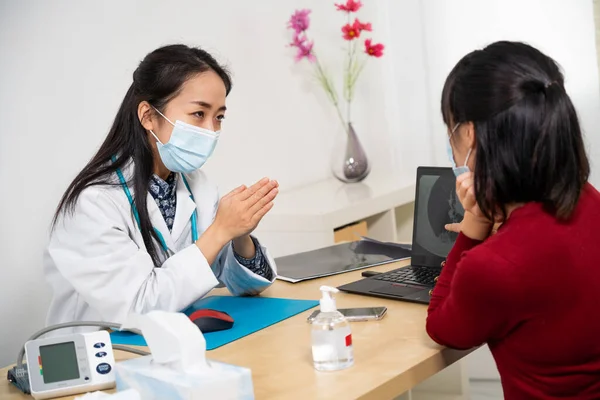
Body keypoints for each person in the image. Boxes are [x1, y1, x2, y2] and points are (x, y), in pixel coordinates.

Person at [45, 44, 279, 330]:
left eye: (219, 117)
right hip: (99, 354)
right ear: (147, 116)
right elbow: (138, 308)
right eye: (198, 114)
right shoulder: (94, 202)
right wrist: (220, 230)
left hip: (170, 343)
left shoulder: (197, 185)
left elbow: (244, 287)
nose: (211, 130)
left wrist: (240, 235)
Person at [426, 41, 600, 399]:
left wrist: (473, 229)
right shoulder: (590, 199)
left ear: (471, 134)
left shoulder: (494, 267)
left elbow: (442, 327)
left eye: (451, 129)